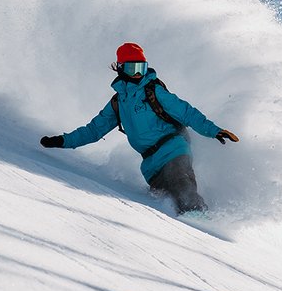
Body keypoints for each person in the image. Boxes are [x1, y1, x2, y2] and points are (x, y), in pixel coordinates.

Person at [40, 42, 239, 214]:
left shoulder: (154, 91)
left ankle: (204, 227)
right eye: (132, 68)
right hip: (151, 166)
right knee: (166, 202)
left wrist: (214, 130)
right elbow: (94, 130)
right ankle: (192, 230)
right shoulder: (118, 103)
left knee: (183, 191)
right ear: (120, 68)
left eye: (141, 68)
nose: (137, 74)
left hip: (174, 149)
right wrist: (62, 141)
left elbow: (187, 112)